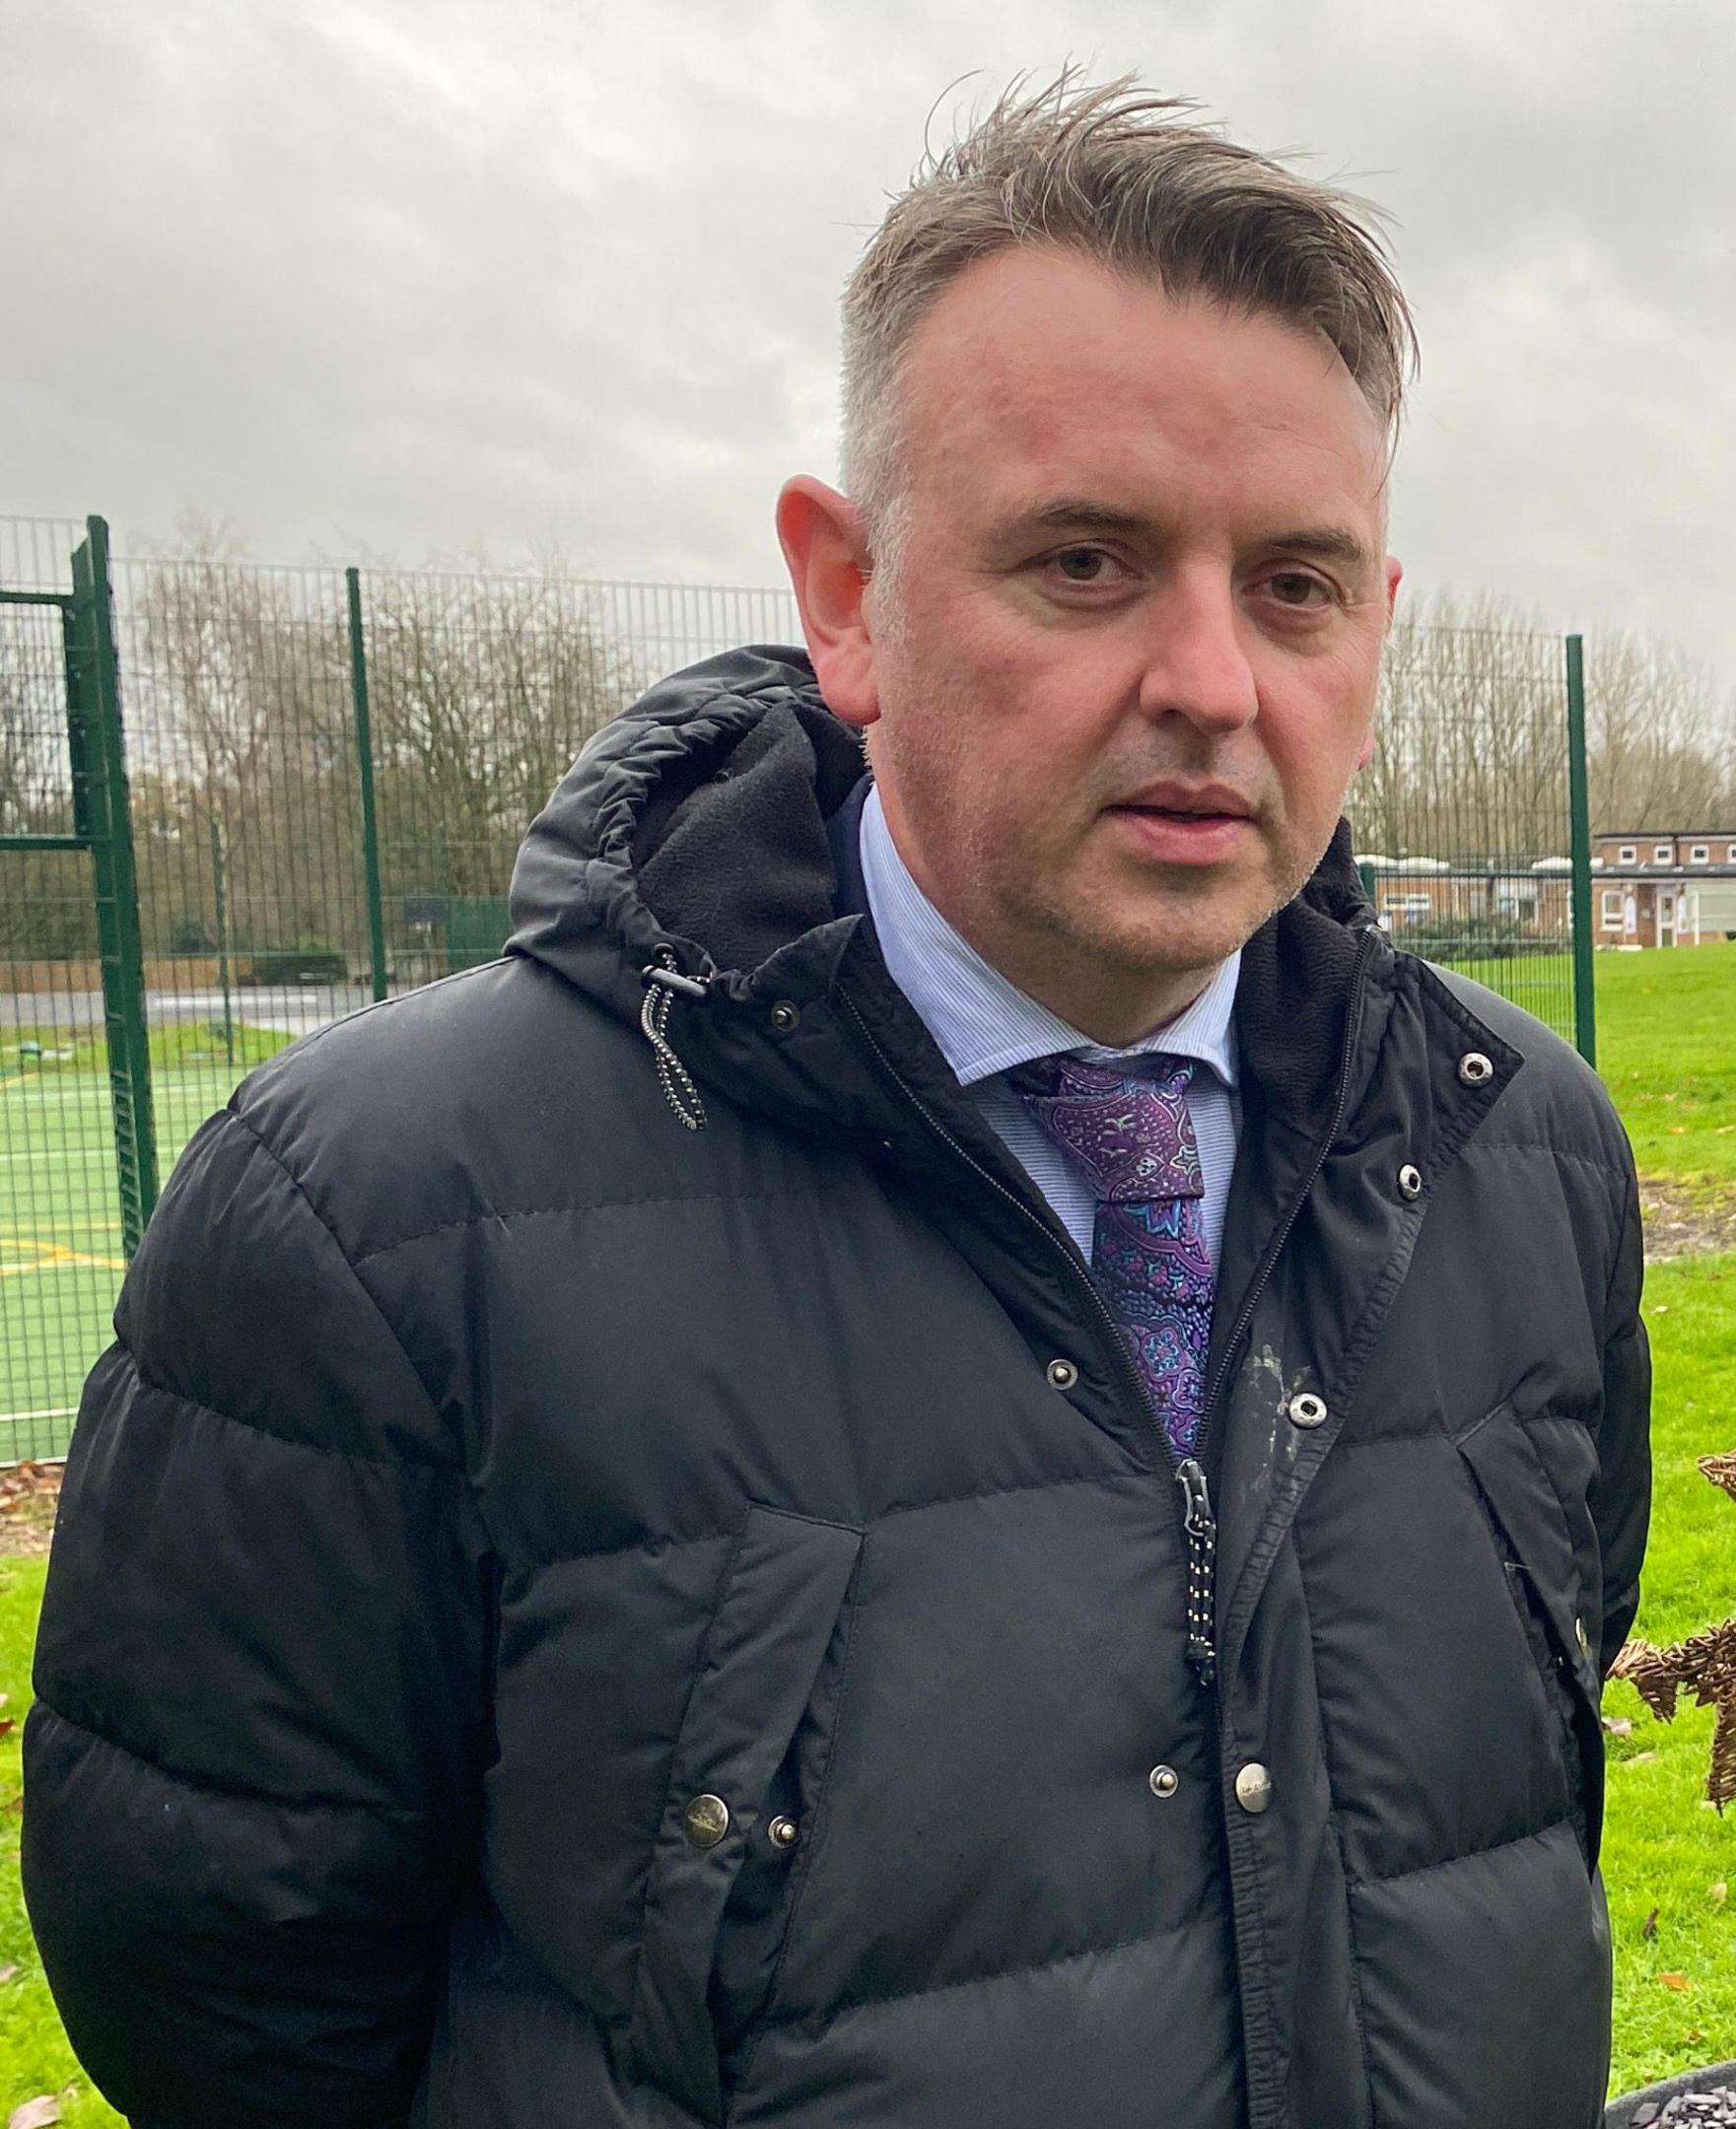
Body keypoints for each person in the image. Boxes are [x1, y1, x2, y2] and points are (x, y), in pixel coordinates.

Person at [25, 77, 1647, 2129]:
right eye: (1085, 561)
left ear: (1379, 631)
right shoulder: (375, 1218)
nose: (1218, 683)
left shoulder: (1525, 1154)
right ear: (850, 595)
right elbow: (227, 1985)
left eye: (1299, 587)